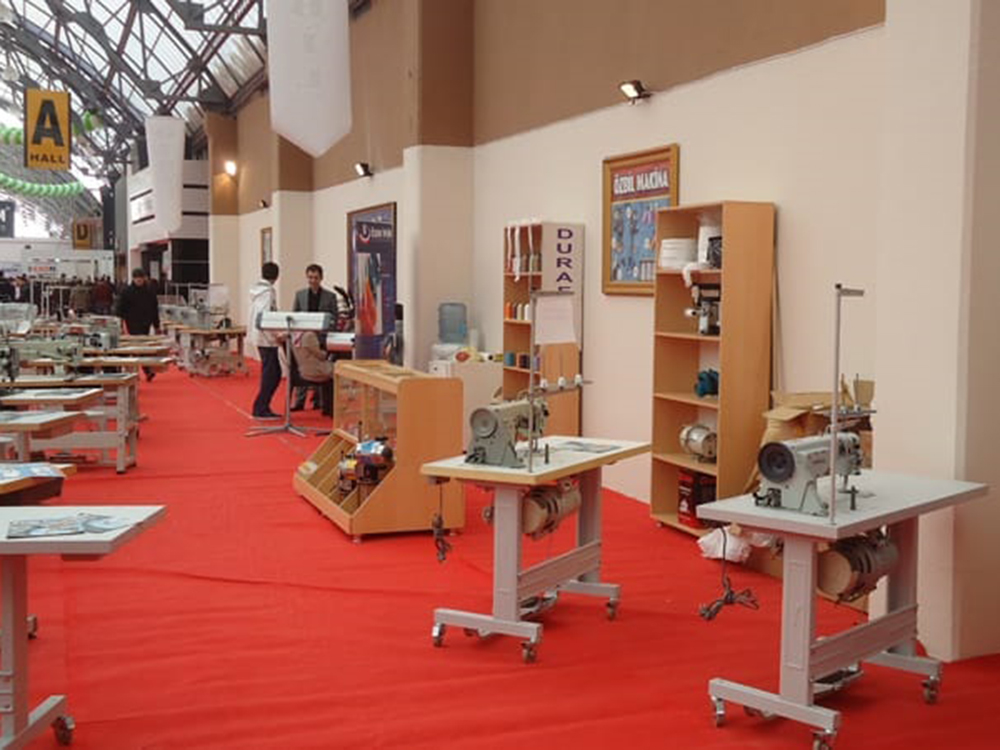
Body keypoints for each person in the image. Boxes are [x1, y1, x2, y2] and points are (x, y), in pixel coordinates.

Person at [290, 264, 341, 411]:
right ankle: (300, 401)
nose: (313, 280)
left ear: (321, 278)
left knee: (320, 365)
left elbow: (335, 318)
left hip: (322, 337)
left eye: (316, 278)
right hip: (305, 337)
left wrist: (327, 332)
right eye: (310, 277)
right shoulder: (300, 295)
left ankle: (320, 402)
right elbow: (295, 316)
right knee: (304, 366)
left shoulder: (330, 296)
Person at [248, 262, 281, 420]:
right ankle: (260, 407)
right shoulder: (267, 293)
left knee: (272, 373)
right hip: (266, 338)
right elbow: (267, 316)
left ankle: (263, 406)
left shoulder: (256, 290)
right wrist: (276, 334)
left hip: (260, 336)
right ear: (276, 276)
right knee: (272, 374)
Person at [115, 267, 160, 382]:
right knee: (138, 346)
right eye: (137, 278)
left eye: (141, 278)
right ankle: (145, 370)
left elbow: (154, 309)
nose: (139, 280)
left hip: (146, 322)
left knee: (143, 347)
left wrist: (156, 325)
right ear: (133, 279)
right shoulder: (127, 291)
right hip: (132, 322)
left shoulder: (150, 292)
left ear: (144, 278)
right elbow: (120, 308)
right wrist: (120, 323)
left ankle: (143, 370)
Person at [291, 330, 334, 417]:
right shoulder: (309, 336)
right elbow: (321, 355)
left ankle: (326, 407)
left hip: (303, 370)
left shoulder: (296, 335)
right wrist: (328, 353)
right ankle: (331, 408)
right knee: (339, 371)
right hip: (316, 371)